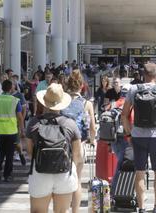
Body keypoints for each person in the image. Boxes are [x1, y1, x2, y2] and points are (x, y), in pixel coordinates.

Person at [121, 63, 156, 213]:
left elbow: (124, 115)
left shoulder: (133, 89)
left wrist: (129, 132)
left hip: (138, 135)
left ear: (142, 75)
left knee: (139, 171)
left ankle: (141, 207)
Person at [26, 83, 82, 212]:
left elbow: (29, 152)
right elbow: (77, 155)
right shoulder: (70, 124)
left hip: (40, 173)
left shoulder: (34, 123)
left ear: (44, 102)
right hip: (64, 174)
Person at [62, 70, 96, 213]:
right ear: (81, 86)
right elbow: (93, 127)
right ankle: (75, 211)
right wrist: (92, 141)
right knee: (77, 179)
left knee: (62, 179)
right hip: (79, 145)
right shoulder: (86, 103)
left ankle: (62, 209)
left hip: (61, 145)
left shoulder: (62, 101)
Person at [0, 80, 25, 182]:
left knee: (1, 150)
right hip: (11, 131)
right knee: (9, 153)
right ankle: (7, 175)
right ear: (10, 88)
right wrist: (22, 130)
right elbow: (20, 117)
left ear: (2, 88)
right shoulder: (15, 100)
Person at [11, 80, 27, 166]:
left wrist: (22, 119)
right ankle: (15, 152)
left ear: (15, 86)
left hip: (17, 120)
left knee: (17, 139)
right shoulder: (5, 95)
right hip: (9, 121)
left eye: (12, 85)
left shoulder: (19, 95)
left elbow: (24, 108)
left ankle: (19, 153)